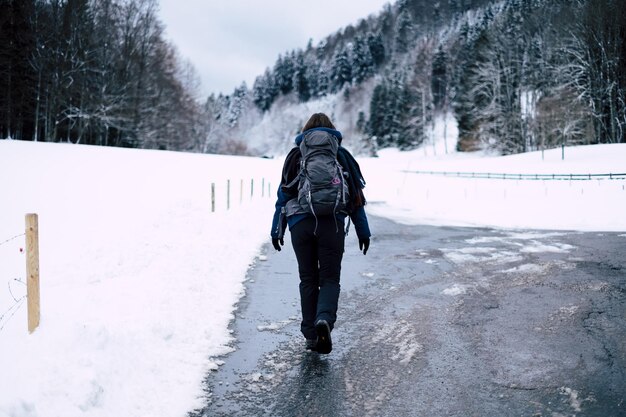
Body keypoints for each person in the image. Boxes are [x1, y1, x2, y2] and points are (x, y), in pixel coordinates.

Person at [270, 113, 371, 354]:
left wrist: (277, 228)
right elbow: (357, 197)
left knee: (308, 279)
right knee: (329, 279)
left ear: (305, 132)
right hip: (332, 224)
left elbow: (283, 195)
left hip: (300, 224)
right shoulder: (341, 155)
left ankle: (310, 336)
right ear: (332, 132)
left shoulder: (296, 155)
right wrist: (363, 231)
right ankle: (323, 319)